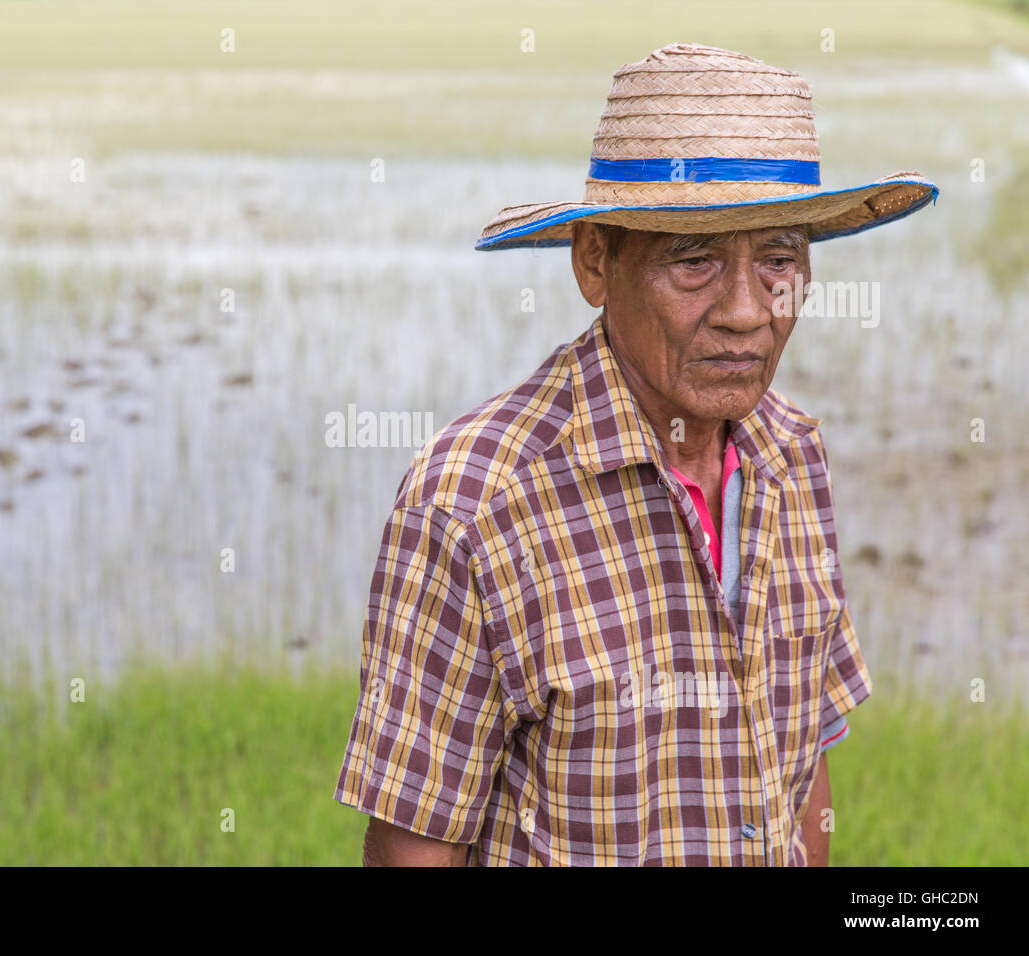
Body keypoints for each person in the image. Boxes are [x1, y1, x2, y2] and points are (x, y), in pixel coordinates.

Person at [332, 43, 937, 865]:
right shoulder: (474, 504)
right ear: (595, 261)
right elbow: (414, 848)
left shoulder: (791, 455)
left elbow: (802, 771)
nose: (746, 312)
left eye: (779, 261)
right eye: (694, 261)